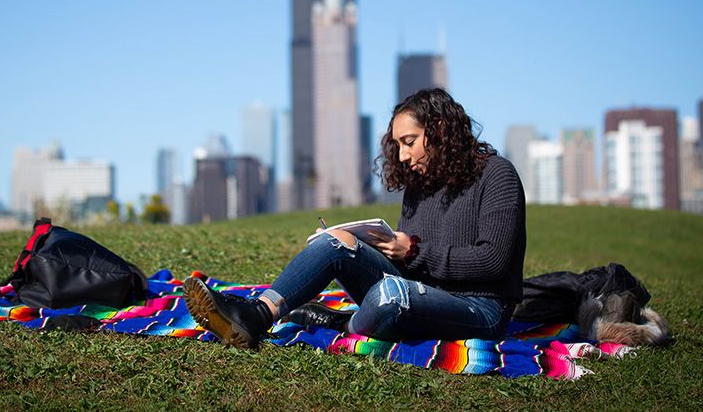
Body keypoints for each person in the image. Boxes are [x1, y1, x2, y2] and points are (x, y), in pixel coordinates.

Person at [183, 88, 526, 349]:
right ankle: (256, 315)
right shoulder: (419, 187)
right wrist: (363, 244)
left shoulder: (497, 175)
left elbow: (493, 262)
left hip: (480, 310)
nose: (403, 156)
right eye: (398, 146)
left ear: (438, 130)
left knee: (391, 295)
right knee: (338, 243)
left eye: (409, 142)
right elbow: (411, 264)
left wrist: (413, 252)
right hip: (420, 291)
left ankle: (344, 324)